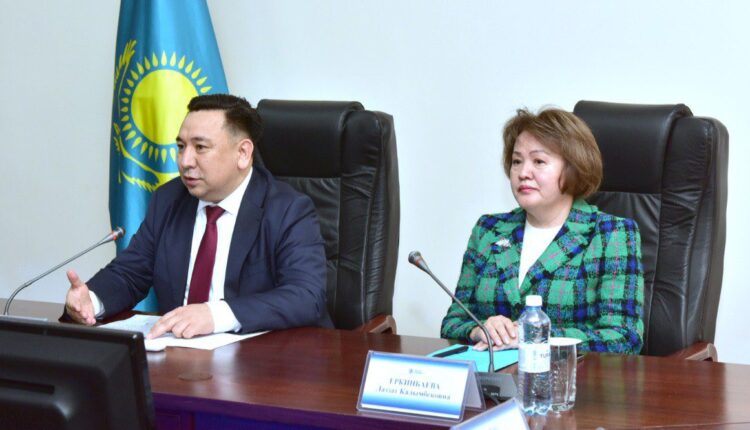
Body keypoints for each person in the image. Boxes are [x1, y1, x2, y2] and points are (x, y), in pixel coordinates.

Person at [65, 94, 333, 338]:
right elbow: (130, 273)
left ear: (242, 153)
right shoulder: (169, 200)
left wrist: (215, 315)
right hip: (181, 356)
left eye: (200, 147)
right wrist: (92, 300)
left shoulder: (288, 210)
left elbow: (306, 296)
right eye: (181, 146)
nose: (185, 161)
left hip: (265, 361)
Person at [440, 107, 644, 354]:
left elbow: (624, 337)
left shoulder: (611, 234)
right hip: (492, 374)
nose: (523, 173)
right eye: (517, 161)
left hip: (569, 375)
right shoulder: (489, 230)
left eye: (538, 161)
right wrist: (479, 329)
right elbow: (452, 323)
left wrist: (536, 335)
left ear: (573, 168)